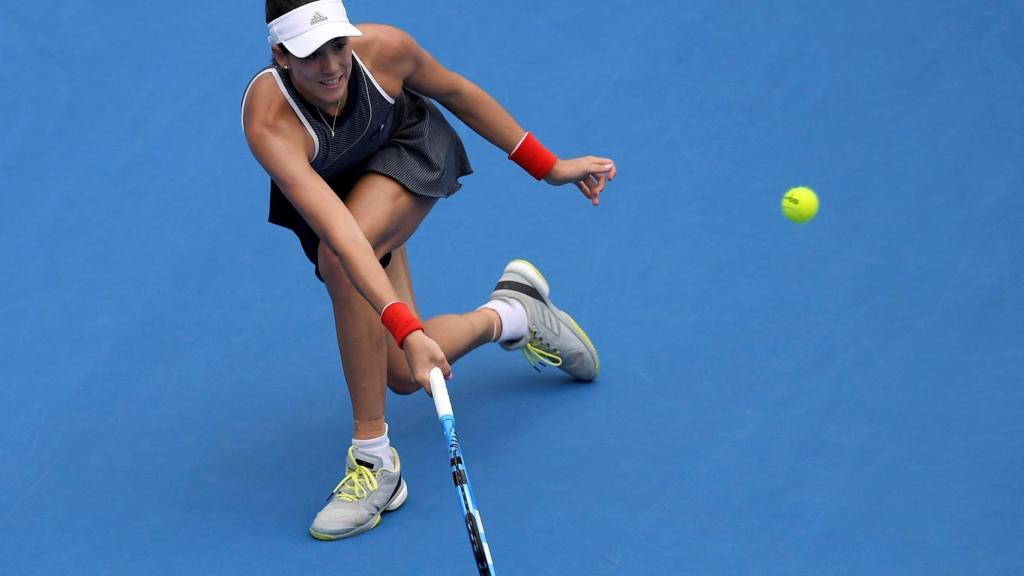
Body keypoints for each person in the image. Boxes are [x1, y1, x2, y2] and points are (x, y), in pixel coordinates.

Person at [241, 0, 616, 540]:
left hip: (406, 148)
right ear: (279, 55)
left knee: (342, 267)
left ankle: (374, 463)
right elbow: (344, 233)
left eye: (338, 46)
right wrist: (408, 332)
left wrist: (550, 167)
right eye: (310, 54)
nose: (331, 67)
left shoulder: (385, 50)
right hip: (344, 196)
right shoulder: (269, 123)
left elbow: (457, 93)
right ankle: (513, 313)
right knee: (398, 371)